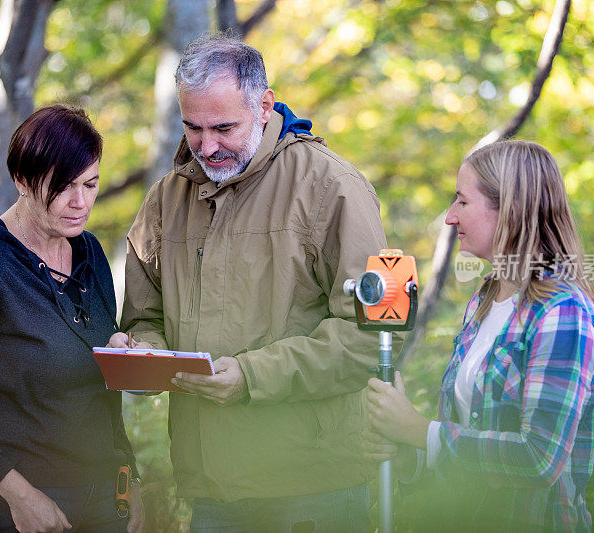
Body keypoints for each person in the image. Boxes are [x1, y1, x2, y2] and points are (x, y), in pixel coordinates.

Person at [110, 34, 388, 531]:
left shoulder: (334, 187)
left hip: (312, 487)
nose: (206, 146)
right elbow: (145, 318)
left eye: (223, 127)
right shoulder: (164, 200)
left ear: (264, 106)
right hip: (209, 487)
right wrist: (141, 354)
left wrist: (250, 378)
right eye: (192, 127)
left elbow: (373, 338)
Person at [0, 105, 144, 533]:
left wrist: (127, 476)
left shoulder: (89, 252)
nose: (80, 202)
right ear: (22, 180)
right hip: (13, 510)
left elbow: (100, 392)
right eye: (62, 186)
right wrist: (21, 497)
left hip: (102, 502)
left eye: (90, 184)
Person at [365, 140, 594, 531]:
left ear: (508, 208)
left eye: (462, 202)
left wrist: (418, 430)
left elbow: (539, 459)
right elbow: (464, 451)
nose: (449, 217)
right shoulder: (484, 301)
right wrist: (410, 452)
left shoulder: (562, 312)